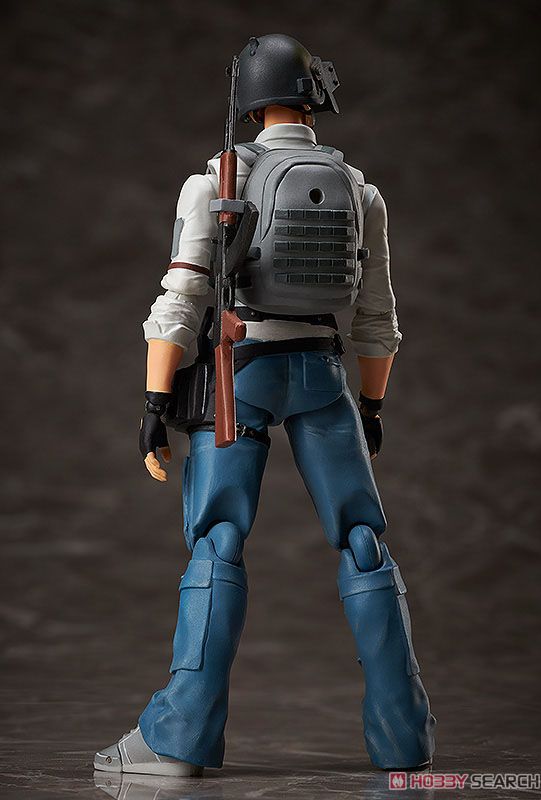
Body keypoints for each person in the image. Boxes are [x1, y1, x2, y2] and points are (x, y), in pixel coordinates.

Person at [94, 33, 435, 778]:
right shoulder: (360, 191)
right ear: (314, 100)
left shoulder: (216, 181)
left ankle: (176, 741)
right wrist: (371, 406)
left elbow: (181, 300)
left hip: (238, 374)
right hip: (323, 373)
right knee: (362, 541)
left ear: (249, 104)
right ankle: (406, 742)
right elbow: (377, 319)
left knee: (218, 540)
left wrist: (155, 400)